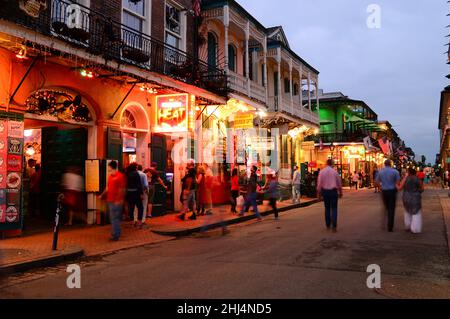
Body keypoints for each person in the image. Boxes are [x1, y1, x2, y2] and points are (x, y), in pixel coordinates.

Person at [100, 161, 126, 241]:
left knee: (114, 218)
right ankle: (117, 233)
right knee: (114, 218)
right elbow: (108, 188)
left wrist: (119, 199)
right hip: (110, 200)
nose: (108, 168)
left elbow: (122, 189)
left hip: (116, 201)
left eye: (109, 167)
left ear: (111, 167)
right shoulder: (110, 176)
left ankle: (115, 235)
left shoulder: (120, 176)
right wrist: (102, 195)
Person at [316, 159, 343, 232]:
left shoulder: (322, 172)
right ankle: (334, 225)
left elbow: (319, 184)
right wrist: (340, 192)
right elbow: (339, 183)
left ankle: (328, 224)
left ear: (326, 163)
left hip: (325, 192)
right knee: (334, 208)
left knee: (327, 208)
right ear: (332, 164)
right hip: (333, 191)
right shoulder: (335, 172)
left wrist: (318, 194)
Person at [397, 167, 424, 234]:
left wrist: (395, 184)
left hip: (406, 197)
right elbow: (422, 188)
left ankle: (408, 226)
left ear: (408, 172)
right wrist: (418, 191)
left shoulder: (405, 179)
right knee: (416, 213)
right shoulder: (417, 179)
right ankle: (415, 229)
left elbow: (400, 188)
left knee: (407, 211)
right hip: (415, 198)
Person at [376, 160, 401, 232]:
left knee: (386, 207)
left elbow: (376, 182)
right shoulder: (395, 172)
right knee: (391, 209)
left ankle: (384, 223)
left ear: (384, 164)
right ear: (391, 164)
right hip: (392, 191)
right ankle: (390, 226)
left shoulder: (380, 172)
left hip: (384, 191)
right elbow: (398, 182)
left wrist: (380, 188)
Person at [125, 163, 144, 228]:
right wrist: (141, 193)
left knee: (131, 207)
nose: (137, 168)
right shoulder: (136, 174)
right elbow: (139, 184)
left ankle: (132, 222)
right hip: (136, 193)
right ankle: (139, 222)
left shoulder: (127, 173)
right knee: (140, 207)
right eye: (136, 167)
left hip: (129, 193)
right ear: (134, 167)